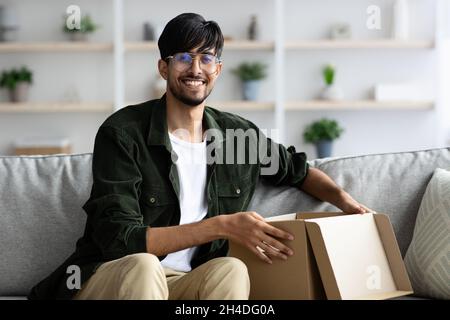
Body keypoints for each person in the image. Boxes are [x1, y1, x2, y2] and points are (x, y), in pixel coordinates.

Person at [28, 13, 371, 300]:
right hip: (109, 279)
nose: (195, 68)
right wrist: (222, 226)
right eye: (183, 57)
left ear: (217, 70)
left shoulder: (239, 137)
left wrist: (346, 203)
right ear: (163, 67)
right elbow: (120, 241)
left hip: (183, 282)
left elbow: (299, 170)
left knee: (230, 269)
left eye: (206, 58)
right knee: (145, 265)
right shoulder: (123, 132)